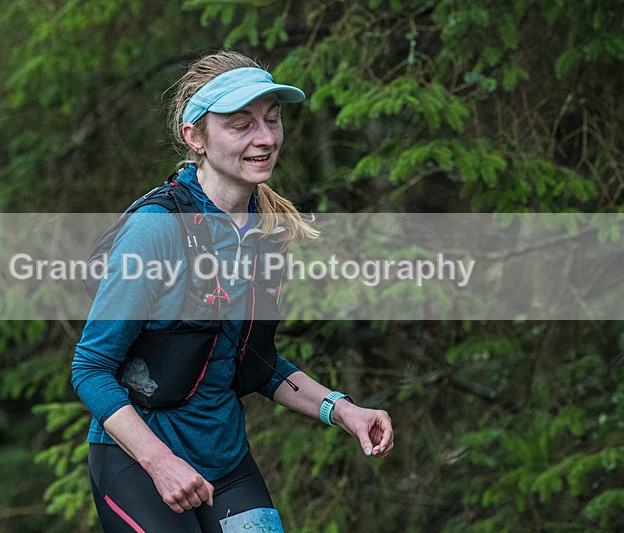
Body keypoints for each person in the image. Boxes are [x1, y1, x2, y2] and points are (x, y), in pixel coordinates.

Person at [71, 50, 394, 533]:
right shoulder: (158, 228)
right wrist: (161, 464)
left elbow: (253, 362)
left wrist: (343, 410)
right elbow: (90, 369)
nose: (264, 138)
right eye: (241, 125)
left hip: (225, 462)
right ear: (195, 136)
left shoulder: (267, 233)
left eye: (272, 120)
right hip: (137, 462)